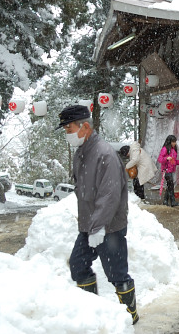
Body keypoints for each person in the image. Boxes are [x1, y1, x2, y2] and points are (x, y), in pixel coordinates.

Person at [58, 105, 138, 324]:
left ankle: (130, 318)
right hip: (89, 224)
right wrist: (89, 225)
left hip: (109, 226)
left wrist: (99, 226)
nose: (68, 133)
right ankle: (92, 313)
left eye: (69, 128)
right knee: (78, 265)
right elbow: (81, 189)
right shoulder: (81, 153)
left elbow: (109, 195)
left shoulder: (105, 154)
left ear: (85, 127)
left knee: (116, 273)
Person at [158, 135, 179, 207]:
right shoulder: (165, 149)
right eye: (173, 142)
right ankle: (172, 201)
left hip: (171, 170)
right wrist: (167, 158)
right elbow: (160, 159)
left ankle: (165, 201)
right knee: (171, 185)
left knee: (169, 185)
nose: (174, 143)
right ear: (169, 142)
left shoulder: (173, 149)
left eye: (175, 142)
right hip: (166, 171)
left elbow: (174, 162)